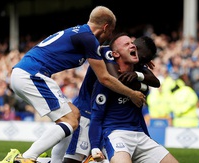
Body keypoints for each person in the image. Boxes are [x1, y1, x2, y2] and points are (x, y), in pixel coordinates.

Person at [0, 6, 145, 163]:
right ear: (106, 27)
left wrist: (142, 59)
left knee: (74, 114)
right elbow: (105, 78)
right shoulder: (88, 38)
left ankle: (53, 161)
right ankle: (26, 158)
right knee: (69, 120)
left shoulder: (82, 34)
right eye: (111, 31)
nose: (110, 36)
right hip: (32, 75)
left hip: (27, 74)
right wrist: (132, 94)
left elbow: (106, 53)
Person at [51, 34, 160, 163]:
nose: (140, 60)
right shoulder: (107, 53)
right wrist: (142, 85)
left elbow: (156, 82)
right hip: (86, 112)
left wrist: (138, 74)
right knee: (74, 158)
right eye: (140, 55)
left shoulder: (135, 65)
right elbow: (117, 80)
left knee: (103, 157)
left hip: (105, 119)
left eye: (144, 59)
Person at [89, 34, 179, 163]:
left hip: (140, 135)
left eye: (132, 43)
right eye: (127, 44)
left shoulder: (140, 79)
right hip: (116, 134)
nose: (132, 45)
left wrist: (148, 138)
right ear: (114, 54)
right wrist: (95, 147)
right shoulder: (106, 81)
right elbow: (96, 117)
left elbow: (154, 83)